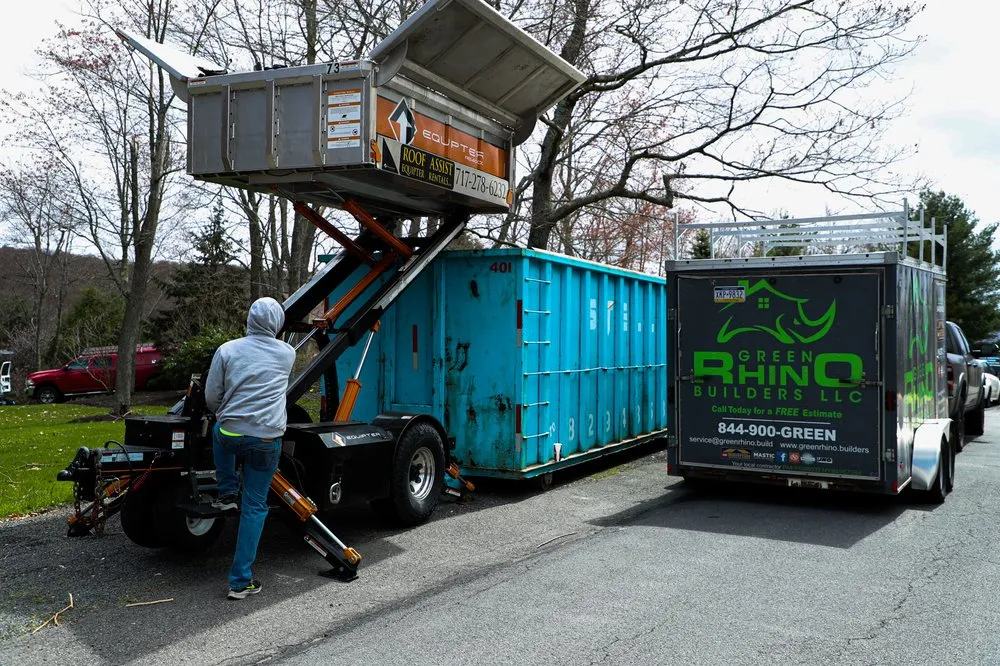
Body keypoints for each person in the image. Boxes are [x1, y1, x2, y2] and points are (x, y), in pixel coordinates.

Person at [204, 296, 296, 600]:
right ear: (278, 324)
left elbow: (212, 396)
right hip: (268, 438)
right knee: (255, 507)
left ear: (249, 319)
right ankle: (240, 582)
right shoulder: (288, 353)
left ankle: (227, 491)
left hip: (231, 431)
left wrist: (224, 412)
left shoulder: (227, 350)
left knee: (219, 430)